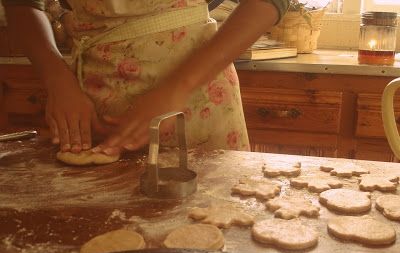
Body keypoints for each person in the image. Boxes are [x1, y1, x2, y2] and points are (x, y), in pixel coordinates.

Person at [3, 0, 289, 156]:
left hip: (196, 93)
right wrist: (57, 80)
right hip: (93, 103)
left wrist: (178, 87)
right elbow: (22, 5)